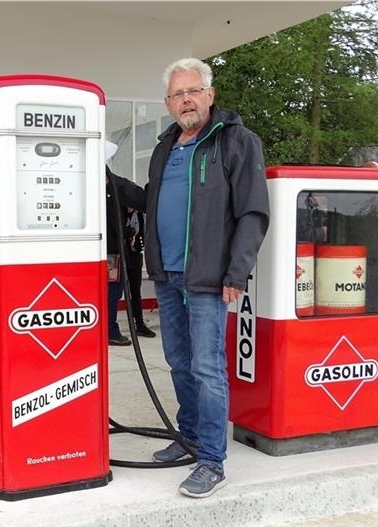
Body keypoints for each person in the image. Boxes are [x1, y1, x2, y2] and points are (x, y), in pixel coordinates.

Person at [112, 58, 269, 498]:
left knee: (207, 367)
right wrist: (113, 181)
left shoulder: (236, 141)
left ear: (210, 94)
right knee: (180, 362)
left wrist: (237, 272)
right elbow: (153, 202)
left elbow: (253, 213)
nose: (186, 100)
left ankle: (211, 460)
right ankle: (190, 436)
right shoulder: (166, 147)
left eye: (193, 91)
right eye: (178, 94)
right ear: (167, 103)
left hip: (209, 276)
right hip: (166, 274)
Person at [106, 166, 131, 347]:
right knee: (113, 294)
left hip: (102, 253)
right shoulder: (113, 199)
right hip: (113, 255)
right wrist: (131, 229)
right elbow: (119, 228)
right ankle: (111, 331)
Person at [124, 207, 157, 338]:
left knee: (136, 292)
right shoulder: (117, 212)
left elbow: (145, 232)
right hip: (121, 256)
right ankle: (110, 326)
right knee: (115, 292)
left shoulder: (140, 216)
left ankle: (139, 324)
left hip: (135, 255)